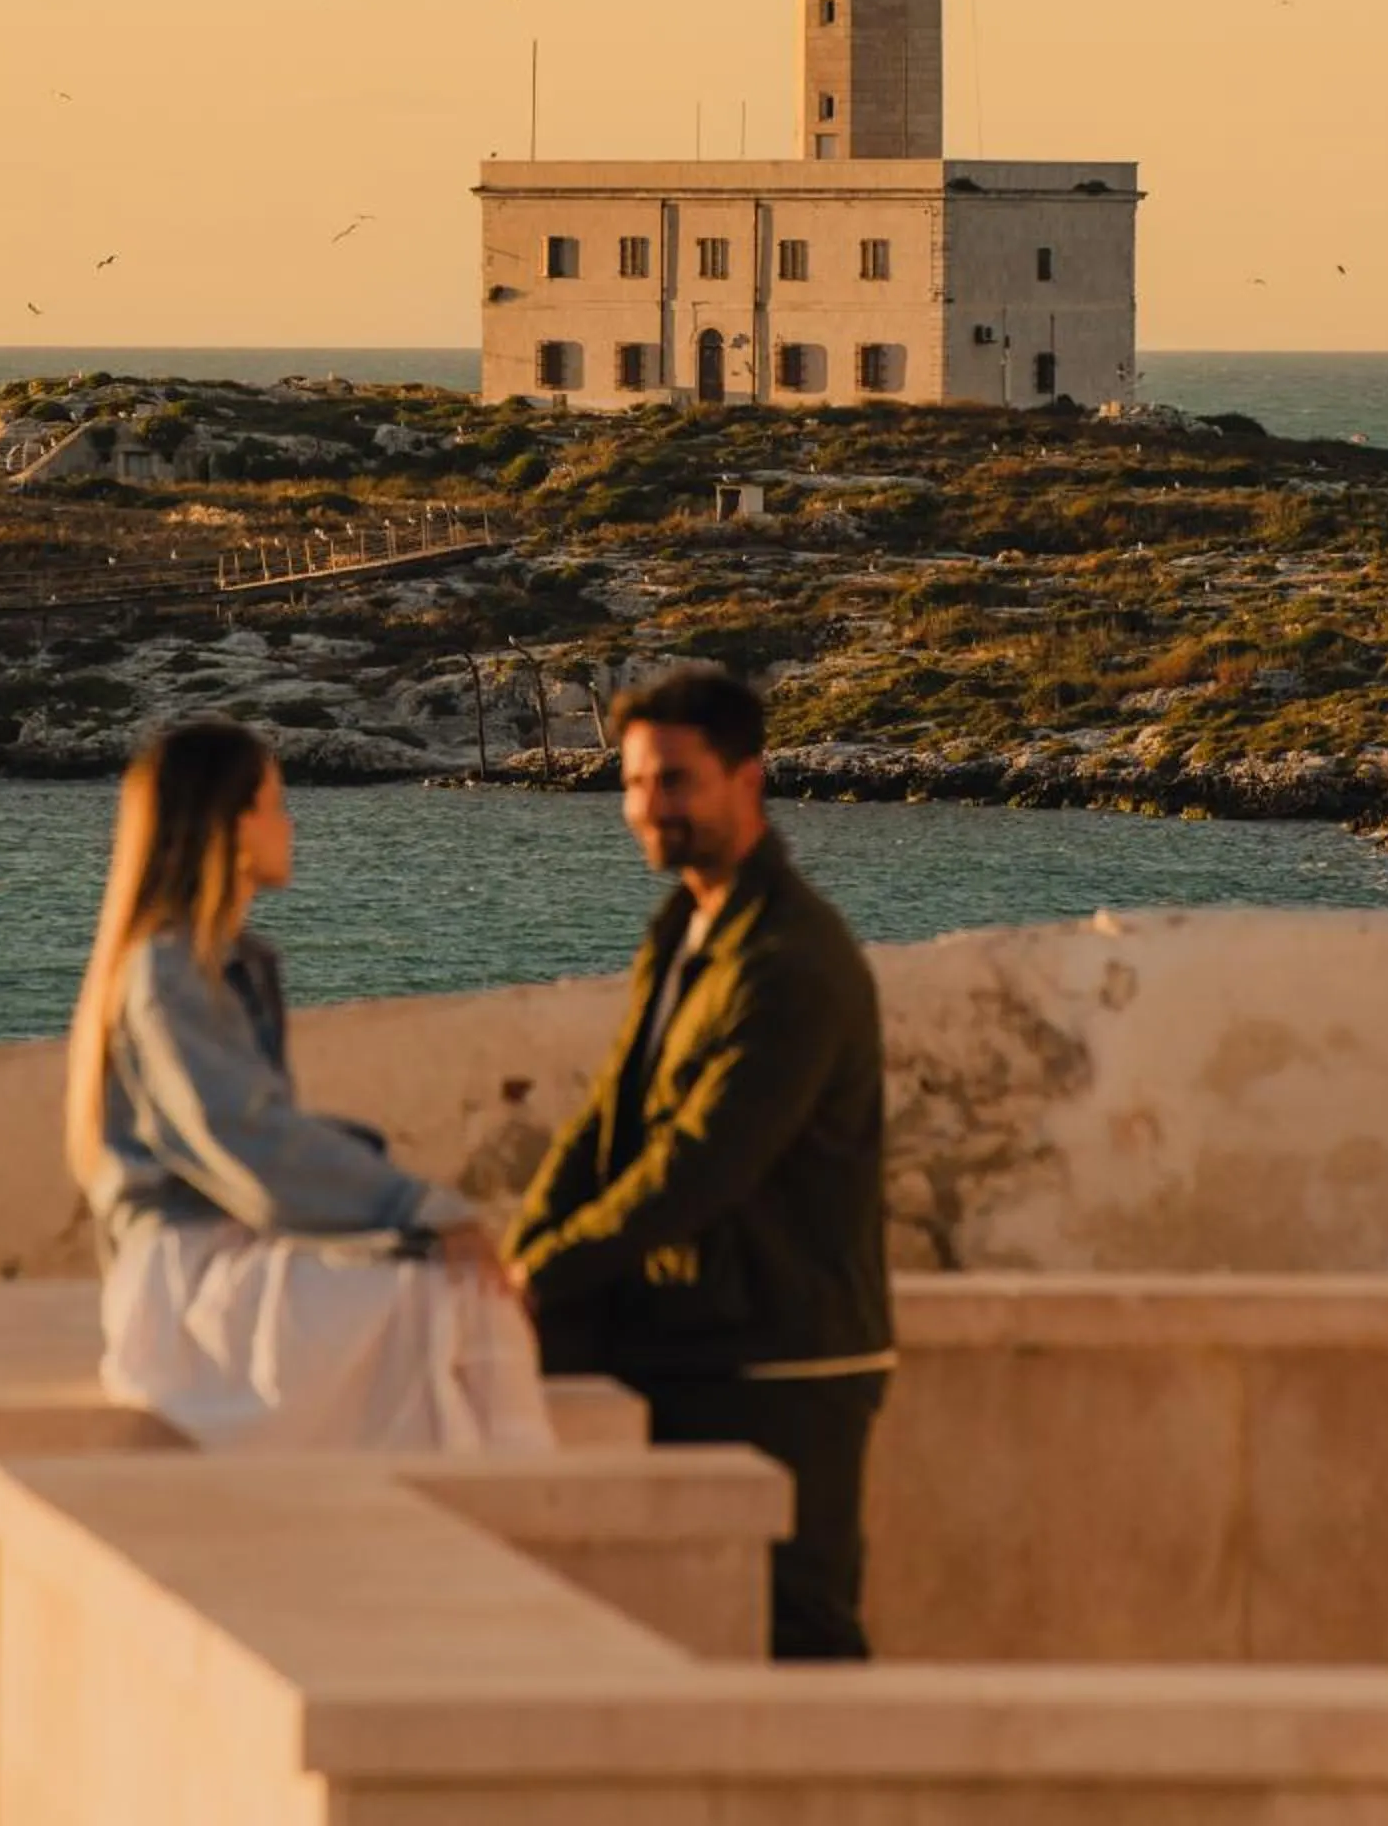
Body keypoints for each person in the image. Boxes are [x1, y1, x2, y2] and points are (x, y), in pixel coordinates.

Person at [504, 665, 891, 1659]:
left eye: (673, 782)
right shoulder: (685, 926)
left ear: (746, 781)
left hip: (786, 1359)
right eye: (634, 784)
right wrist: (523, 1251)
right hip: (695, 1337)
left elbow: (696, 1168)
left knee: (800, 1639)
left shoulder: (790, 962)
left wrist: (542, 1274)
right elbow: (608, 1122)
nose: (647, 809)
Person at [67, 718, 551, 1453]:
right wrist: (424, 1208)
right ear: (229, 830)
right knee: (465, 1296)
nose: (290, 826)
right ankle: (515, 1512)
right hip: (186, 1292)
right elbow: (245, 1136)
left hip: (232, 1262)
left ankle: (499, 1507)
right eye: (275, 805)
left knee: (461, 1297)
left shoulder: (228, 967)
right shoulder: (167, 974)